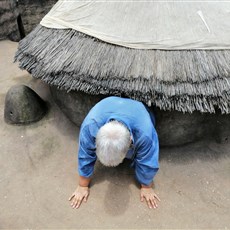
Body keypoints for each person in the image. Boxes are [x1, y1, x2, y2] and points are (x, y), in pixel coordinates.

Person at [69, 96, 160, 209]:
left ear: (130, 142)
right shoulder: (90, 127)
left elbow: (148, 161)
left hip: (140, 110)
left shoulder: (145, 133)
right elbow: (85, 155)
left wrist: (146, 186)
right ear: (97, 137)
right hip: (109, 104)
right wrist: (82, 185)